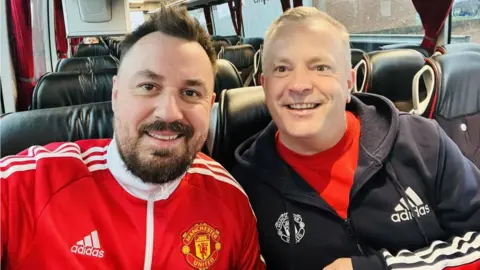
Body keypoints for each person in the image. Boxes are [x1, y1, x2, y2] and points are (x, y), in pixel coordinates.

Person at [1, 5, 265, 270]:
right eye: (148, 87)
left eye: (191, 93)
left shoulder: (231, 202)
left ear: (210, 106)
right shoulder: (26, 186)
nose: (169, 113)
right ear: (116, 94)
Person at [232, 6, 480, 270]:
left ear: (349, 83)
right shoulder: (244, 187)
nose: (299, 85)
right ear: (265, 85)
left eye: (320, 67)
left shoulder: (422, 142)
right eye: (282, 69)